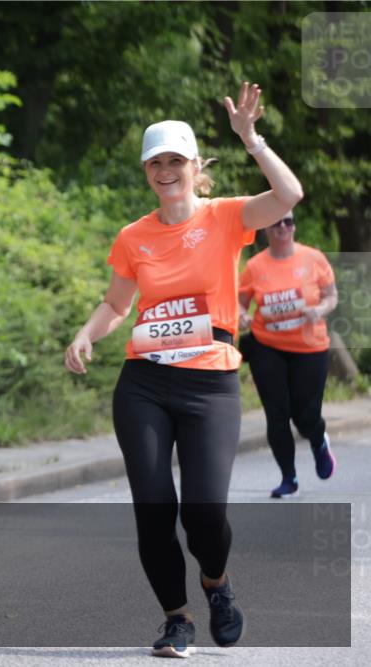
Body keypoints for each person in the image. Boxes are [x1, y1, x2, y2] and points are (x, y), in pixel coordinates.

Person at [64, 82, 304, 657]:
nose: (166, 171)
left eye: (176, 161)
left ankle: (216, 584)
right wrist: (85, 333)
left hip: (210, 382)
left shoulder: (227, 218)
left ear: (196, 168)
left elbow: (289, 194)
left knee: (204, 510)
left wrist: (250, 138)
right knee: (153, 509)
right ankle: (177, 619)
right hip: (144, 382)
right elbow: (117, 305)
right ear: (147, 171)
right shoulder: (133, 237)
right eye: (156, 163)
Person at [238, 212, 338, 498]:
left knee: (306, 416)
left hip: (310, 346)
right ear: (265, 228)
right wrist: (243, 316)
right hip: (267, 346)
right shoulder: (255, 266)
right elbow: (240, 303)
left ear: (294, 226)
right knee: (277, 415)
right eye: (276, 222)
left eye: (289, 221)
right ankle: (289, 479)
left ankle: (319, 442)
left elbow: (331, 296)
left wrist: (318, 310)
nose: (283, 227)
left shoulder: (313, 258)